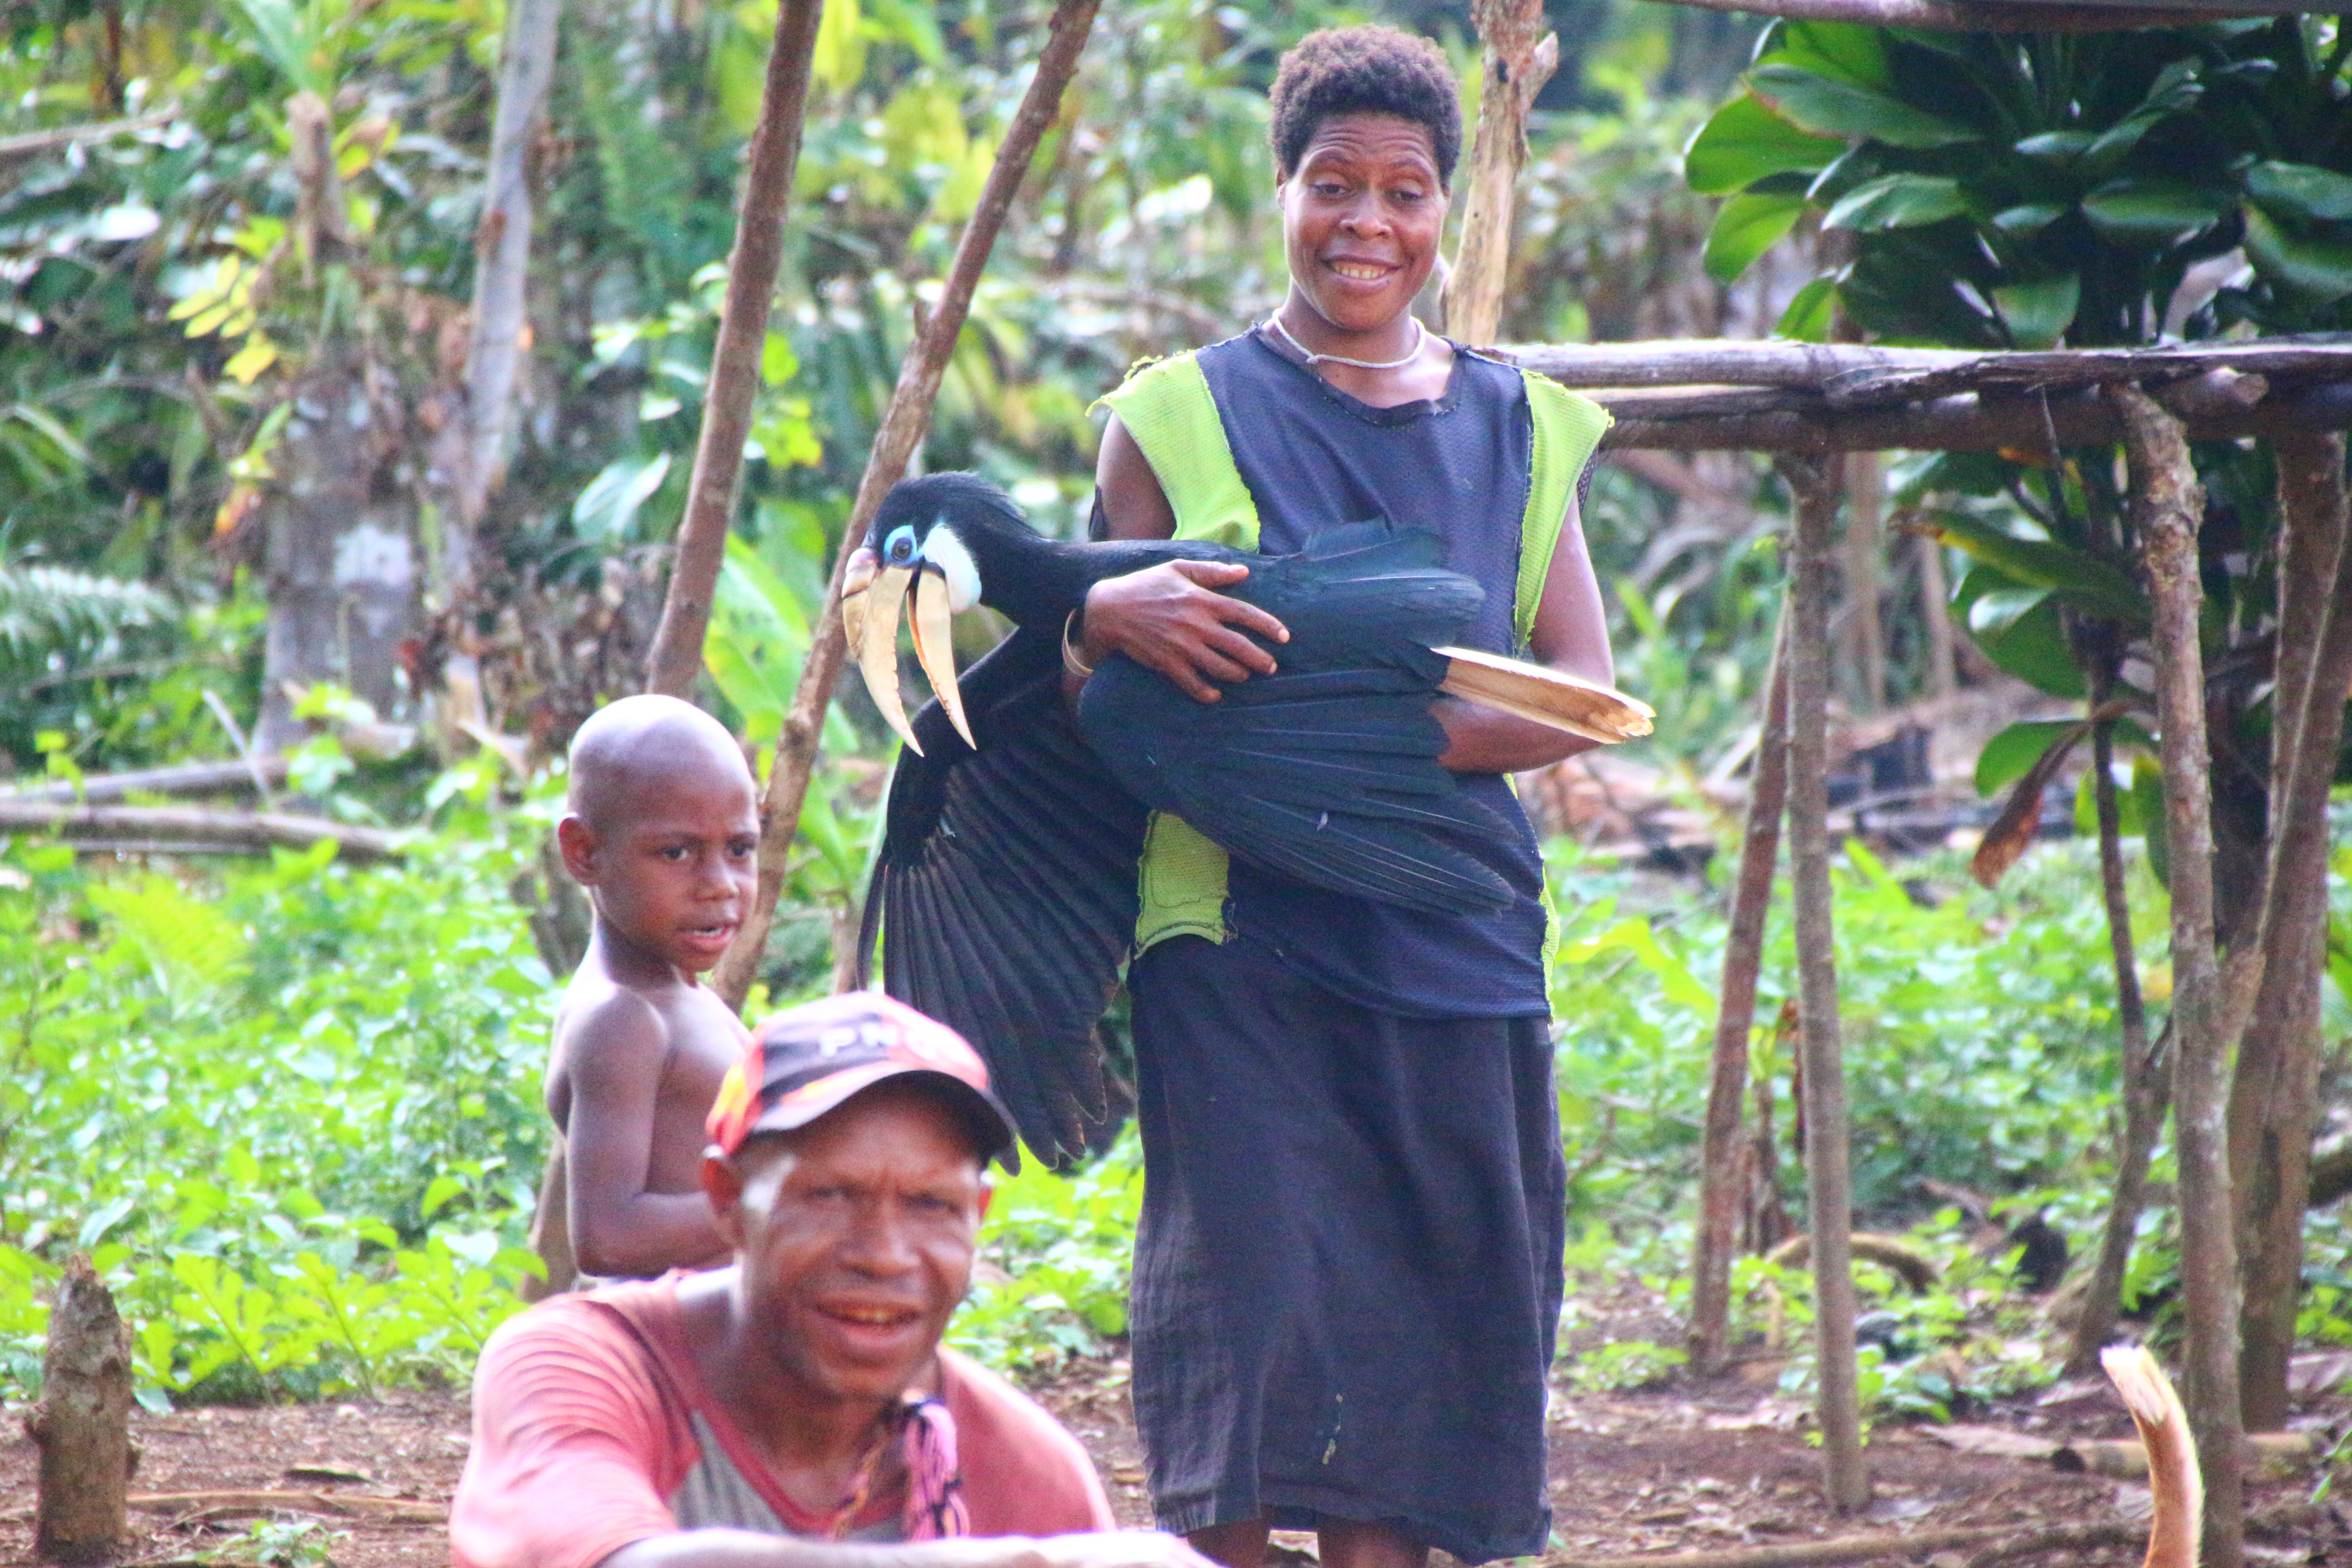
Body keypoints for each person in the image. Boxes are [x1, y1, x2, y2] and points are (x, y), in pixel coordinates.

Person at [1070, 25, 1615, 1568]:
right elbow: (1077, 682)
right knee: (1249, 1303)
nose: (1365, 222)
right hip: (1236, 930)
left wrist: (1356, 755)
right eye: (1332, 184)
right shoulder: (1169, 413)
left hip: (1450, 921)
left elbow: (1576, 681)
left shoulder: (1523, 423)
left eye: (1403, 192)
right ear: (1282, 191)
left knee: (1428, 1298)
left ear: (1444, 212)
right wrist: (1106, 614)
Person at [457, 992, 1213, 1568]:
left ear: (978, 1216)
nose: (885, 1254)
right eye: (829, 1196)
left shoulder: (1022, 1472)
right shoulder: (589, 1370)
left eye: (931, 1205)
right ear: (726, 1200)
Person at [537, 694, 760, 1288]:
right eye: (677, 852)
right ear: (585, 854)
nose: (719, 885)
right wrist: (782, 1207)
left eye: (739, 849)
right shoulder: (621, 1019)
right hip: (668, 1350)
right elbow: (607, 1238)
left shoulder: (684, 998)